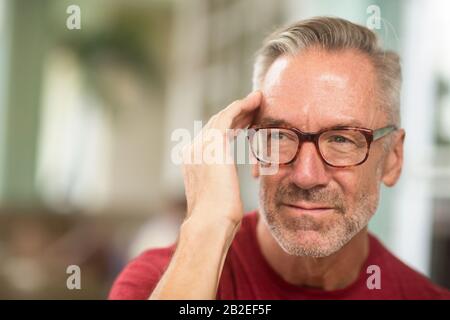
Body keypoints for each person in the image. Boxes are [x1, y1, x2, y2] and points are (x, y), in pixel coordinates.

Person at [109, 17, 450, 299]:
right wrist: (206, 224)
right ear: (255, 152)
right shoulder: (159, 283)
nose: (306, 175)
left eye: (342, 140)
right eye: (279, 137)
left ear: (392, 158)